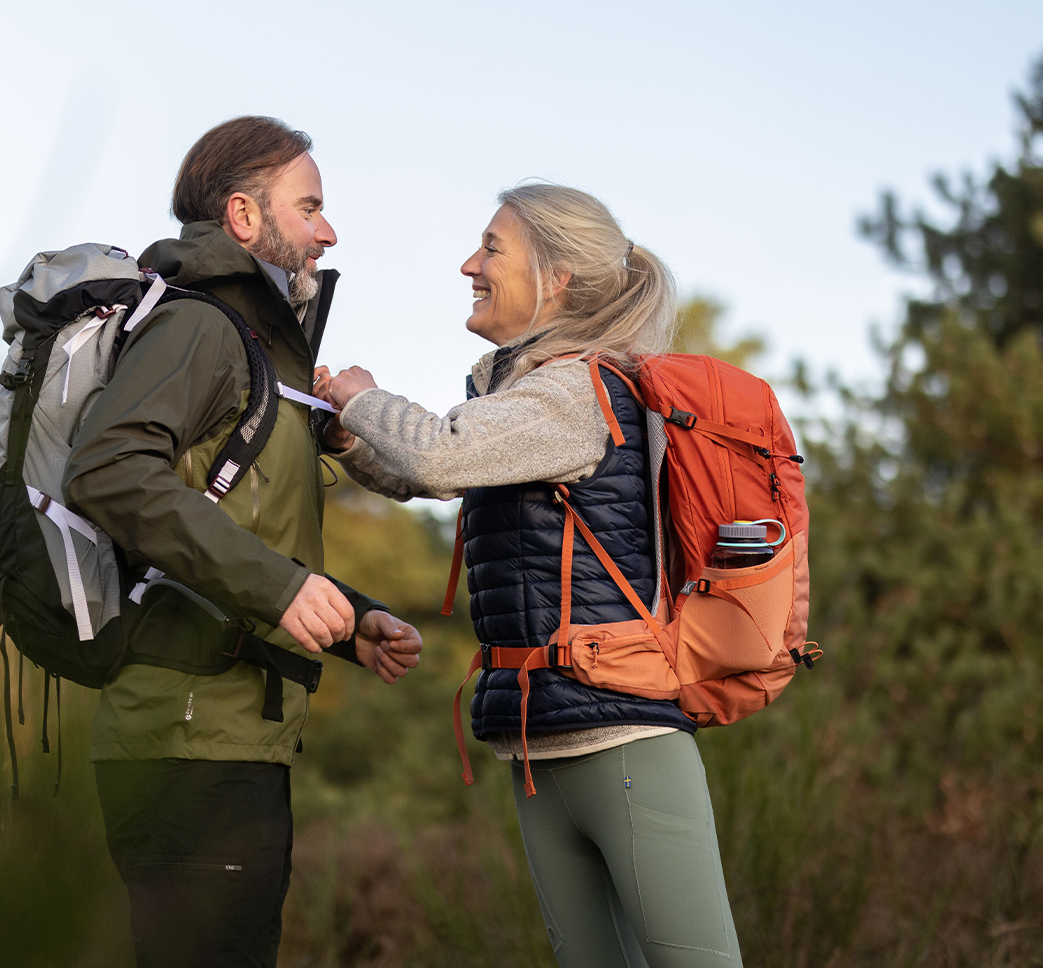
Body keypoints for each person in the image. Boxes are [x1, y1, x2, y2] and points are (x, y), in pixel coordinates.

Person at [314, 184, 744, 968]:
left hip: (625, 744)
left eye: (492, 248)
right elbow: (424, 474)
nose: (469, 265)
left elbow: (439, 454)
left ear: (558, 277)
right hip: (538, 743)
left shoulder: (576, 390)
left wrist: (363, 396)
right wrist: (346, 438)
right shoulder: (524, 393)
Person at [62, 116, 425, 968]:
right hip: (192, 742)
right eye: (311, 207)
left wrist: (351, 619)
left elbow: (235, 527)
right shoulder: (203, 329)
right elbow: (109, 471)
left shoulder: (255, 348)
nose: (328, 232)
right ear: (243, 215)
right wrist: (283, 590)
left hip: (219, 736)